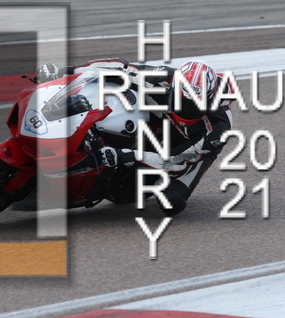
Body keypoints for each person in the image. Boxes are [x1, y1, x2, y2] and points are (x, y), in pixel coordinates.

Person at [36, 58, 234, 216]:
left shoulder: (217, 129)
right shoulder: (162, 78)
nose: (184, 109)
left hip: (192, 152)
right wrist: (65, 72)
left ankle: (136, 174)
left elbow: (177, 161)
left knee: (171, 202)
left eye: (193, 107)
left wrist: (126, 155)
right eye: (181, 101)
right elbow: (118, 67)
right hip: (161, 122)